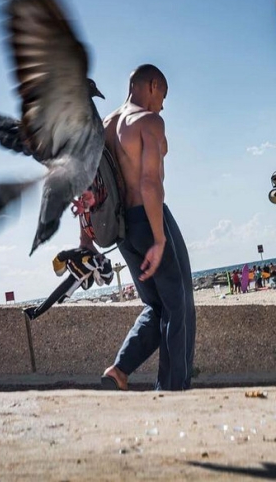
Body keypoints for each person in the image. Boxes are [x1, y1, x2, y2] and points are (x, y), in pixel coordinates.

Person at [95, 65, 195, 392]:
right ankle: (173, 388)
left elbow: (92, 189)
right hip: (150, 217)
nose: (162, 106)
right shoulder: (149, 121)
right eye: (162, 96)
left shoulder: (104, 127)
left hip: (122, 226)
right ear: (152, 85)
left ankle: (120, 369)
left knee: (157, 305)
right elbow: (150, 182)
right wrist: (160, 237)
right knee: (179, 304)